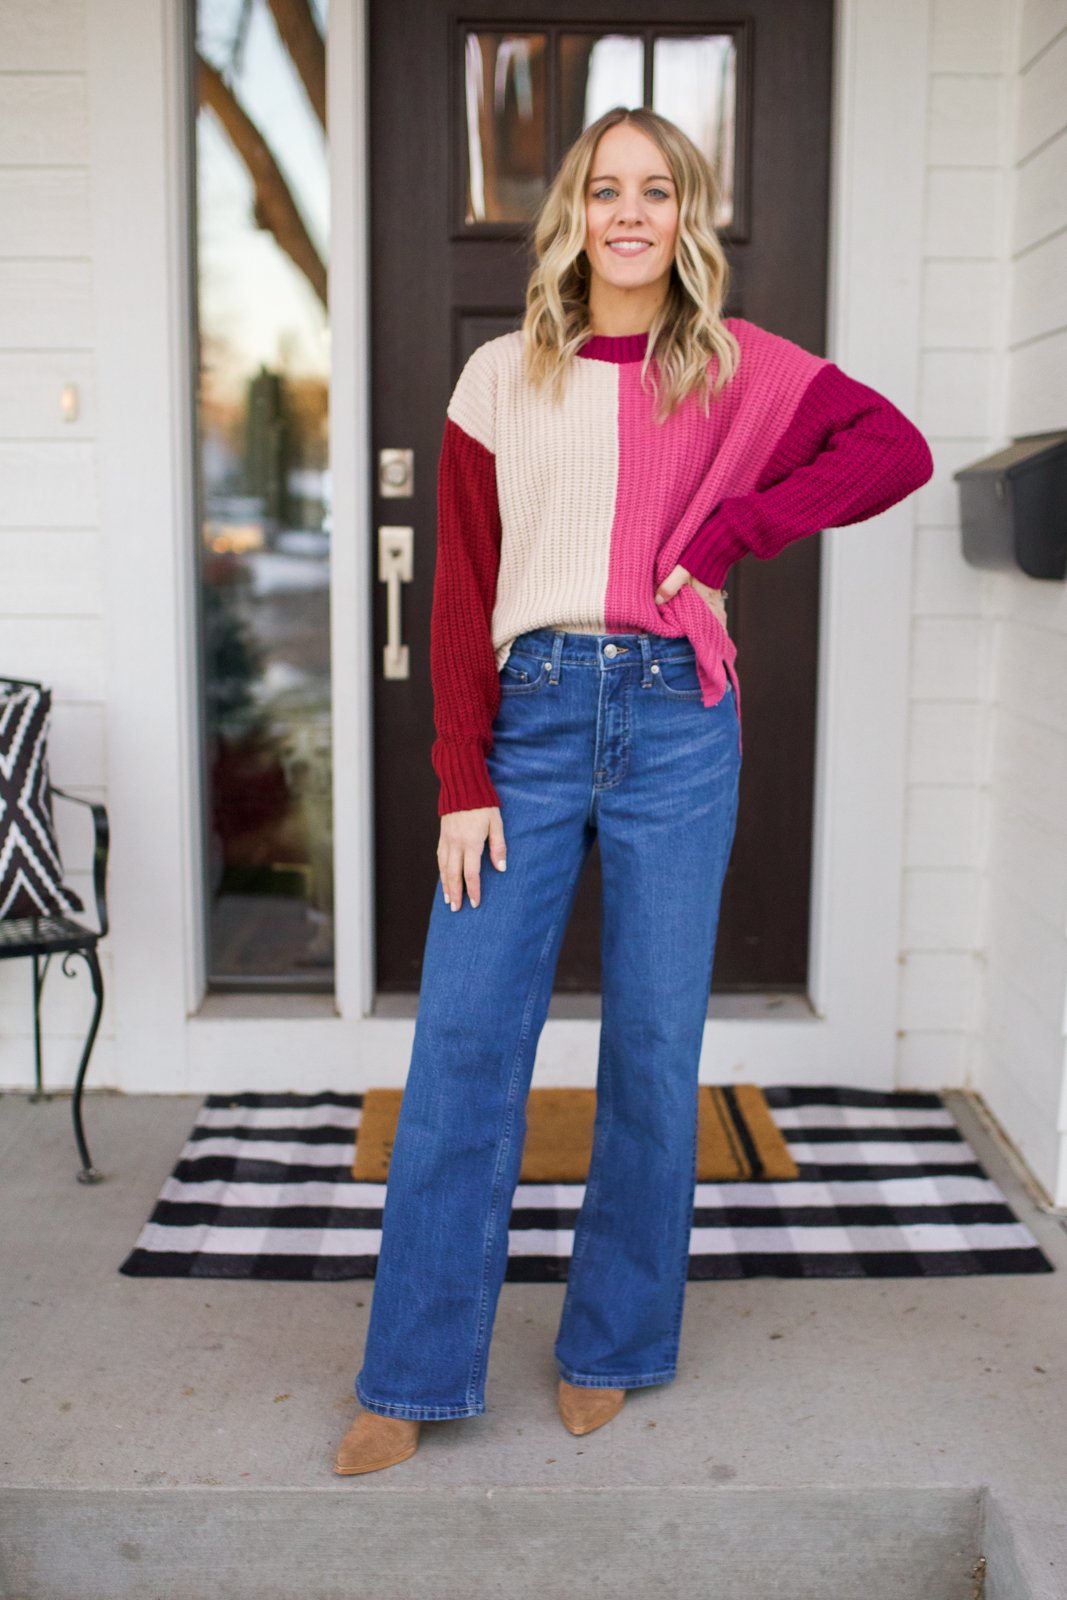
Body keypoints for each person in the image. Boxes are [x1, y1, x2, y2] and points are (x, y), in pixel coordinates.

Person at [333, 106, 933, 1476]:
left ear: (685, 217)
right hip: (531, 723)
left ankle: (610, 1345)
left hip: (676, 725)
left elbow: (891, 450)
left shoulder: (733, 366)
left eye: (656, 191)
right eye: (604, 189)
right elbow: (463, 592)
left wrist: (732, 529)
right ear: (573, 215)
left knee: (654, 1051)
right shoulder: (499, 377)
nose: (629, 213)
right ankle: (414, 1371)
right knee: (463, 1053)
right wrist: (459, 779)